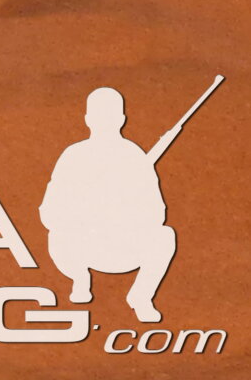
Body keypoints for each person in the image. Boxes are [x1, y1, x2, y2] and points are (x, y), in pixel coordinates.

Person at [41, 88, 180, 323]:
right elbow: (49, 211)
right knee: (57, 235)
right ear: (88, 120)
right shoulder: (73, 156)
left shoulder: (135, 157)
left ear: (121, 120)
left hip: (123, 247)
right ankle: (79, 278)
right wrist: (83, 216)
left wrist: (124, 211)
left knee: (165, 236)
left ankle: (141, 296)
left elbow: (157, 214)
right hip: (81, 247)